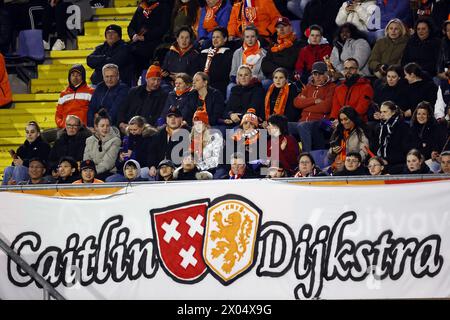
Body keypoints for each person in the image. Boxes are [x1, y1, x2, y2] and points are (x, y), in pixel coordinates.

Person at [293, 61, 336, 152]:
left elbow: (326, 107)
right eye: (315, 74)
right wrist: (314, 100)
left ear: (326, 74)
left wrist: (305, 104)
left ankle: (306, 157)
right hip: (303, 122)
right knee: (278, 126)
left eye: (320, 74)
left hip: (324, 122)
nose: (317, 77)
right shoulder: (308, 87)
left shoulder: (331, 87)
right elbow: (296, 103)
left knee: (303, 126)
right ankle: (273, 161)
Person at [117, 62, 168, 131]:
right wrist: (121, 122)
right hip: (129, 127)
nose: (156, 83)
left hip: (148, 130)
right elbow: (123, 109)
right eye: (153, 79)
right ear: (147, 79)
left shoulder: (163, 96)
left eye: (158, 80)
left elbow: (159, 116)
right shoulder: (134, 92)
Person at [106, 115, 157, 182]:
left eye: (135, 130)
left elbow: (149, 158)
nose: (132, 132)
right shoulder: (127, 140)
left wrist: (133, 155)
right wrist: (121, 159)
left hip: (141, 170)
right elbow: (118, 165)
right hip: (126, 172)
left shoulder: (149, 139)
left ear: (142, 127)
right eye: (130, 130)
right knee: (109, 180)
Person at [127, 0, 171, 73]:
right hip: (137, 41)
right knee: (125, 50)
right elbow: (131, 26)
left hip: (154, 41)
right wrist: (133, 35)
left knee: (140, 52)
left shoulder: (163, 7)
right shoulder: (141, 7)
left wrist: (145, 37)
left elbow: (163, 28)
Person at [2, 121, 51, 185]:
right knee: (8, 169)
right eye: (27, 132)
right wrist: (15, 162)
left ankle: (19, 193)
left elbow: (41, 163)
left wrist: (23, 163)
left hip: (37, 173)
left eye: (32, 132)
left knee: (19, 168)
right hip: (20, 171)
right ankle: (4, 192)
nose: (29, 134)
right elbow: (15, 164)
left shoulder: (44, 146)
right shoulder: (21, 148)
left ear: (38, 134)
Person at [372, 101, 412, 174]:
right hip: (383, 163)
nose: (382, 114)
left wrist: (388, 160)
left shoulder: (402, 126)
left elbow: (405, 149)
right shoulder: (380, 127)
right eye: (381, 112)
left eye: (385, 112)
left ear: (393, 112)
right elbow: (376, 146)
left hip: (397, 164)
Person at [328, 106, 370, 174]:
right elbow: (329, 156)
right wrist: (333, 151)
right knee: (322, 175)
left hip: (353, 167)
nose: (343, 122)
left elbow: (365, 151)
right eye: (341, 120)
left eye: (346, 119)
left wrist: (352, 162)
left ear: (352, 118)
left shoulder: (361, 131)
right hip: (337, 166)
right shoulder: (338, 131)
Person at [330, 58, 374, 122]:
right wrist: (334, 120)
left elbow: (361, 109)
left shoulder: (366, 87)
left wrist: (344, 120)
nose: (348, 71)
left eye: (351, 68)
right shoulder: (338, 89)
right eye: (346, 68)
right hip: (341, 122)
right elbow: (335, 109)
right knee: (321, 125)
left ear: (357, 70)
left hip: (357, 121)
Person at [87, 64, 130, 129]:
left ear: (118, 76)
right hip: (96, 125)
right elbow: (91, 108)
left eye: (112, 76)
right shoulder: (99, 87)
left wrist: (100, 122)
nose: (109, 79)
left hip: (112, 126)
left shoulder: (123, 89)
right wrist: (91, 125)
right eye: (107, 76)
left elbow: (115, 111)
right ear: (103, 77)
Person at [83, 109, 121, 181]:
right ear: (96, 127)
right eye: (102, 126)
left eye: (107, 126)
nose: (105, 128)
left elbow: (108, 163)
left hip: (108, 173)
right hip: (90, 173)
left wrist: (92, 172)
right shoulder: (89, 140)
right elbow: (86, 160)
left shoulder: (115, 140)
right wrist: (87, 172)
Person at [261, 16, 301, 81]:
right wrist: (280, 68)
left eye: (284, 26)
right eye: (278, 27)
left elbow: (290, 63)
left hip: (288, 79)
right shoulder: (273, 45)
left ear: (291, 28)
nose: (281, 29)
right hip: (273, 78)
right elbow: (265, 65)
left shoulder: (298, 44)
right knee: (264, 83)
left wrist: (274, 61)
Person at [55, 64, 95, 129]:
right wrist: (62, 125)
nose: (75, 78)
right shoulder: (63, 93)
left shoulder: (91, 92)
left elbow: (94, 111)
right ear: (69, 77)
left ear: (83, 76)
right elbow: (58, 113)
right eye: (73, 75)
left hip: (83, 129)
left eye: (78, 75)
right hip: (66, 129)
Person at [229, 25, 267, 91]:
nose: (250, 39)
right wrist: (239, 80)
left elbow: (263, 75)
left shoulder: (263, 54)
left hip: (256, 82)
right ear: (243, 37)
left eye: (252, 36)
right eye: (247, 37)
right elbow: (233, 73)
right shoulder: (237, 53)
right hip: (240, 81)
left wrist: (252, 79)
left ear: (256, 37)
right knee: (230, 87)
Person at [199, 26, 233, 97]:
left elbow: (224, 73)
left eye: (218, 37)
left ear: (225, 39)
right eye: (213, 37)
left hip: (218, 85)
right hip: (200, 83)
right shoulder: (204, 52)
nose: (215, 40)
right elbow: (196, 68)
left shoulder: (229, 54)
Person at [190, 106, 224, 174]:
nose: (197, 126)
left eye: (200, 123)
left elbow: (216, 160)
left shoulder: (216, 137)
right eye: (195, 123)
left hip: (214, 170)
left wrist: (199, 167)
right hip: (199, 170)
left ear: (205, 124)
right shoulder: (195, 140)